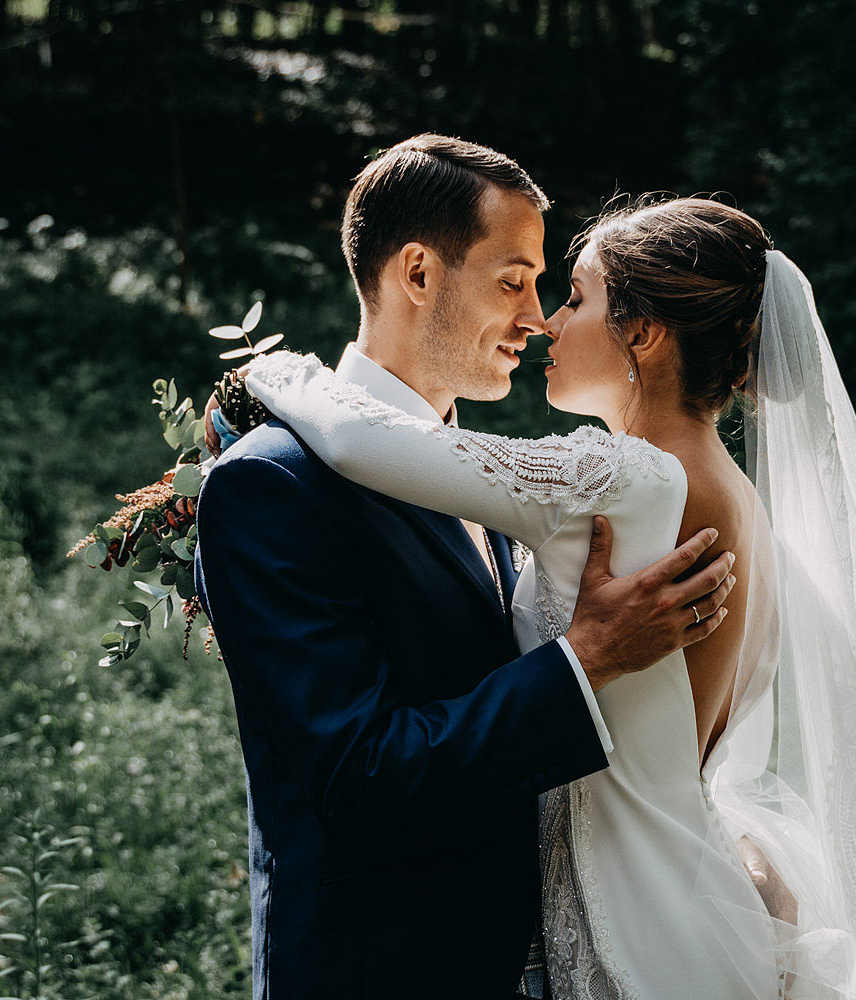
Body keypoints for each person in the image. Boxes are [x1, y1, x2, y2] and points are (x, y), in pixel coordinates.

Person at [242, 196, 856, 998]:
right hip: (690, 892)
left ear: (641, 333)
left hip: (636, 932)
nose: (548, 324)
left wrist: (274, 372)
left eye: (573, 297)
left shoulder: (627, 482)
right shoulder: (741, 503)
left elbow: (365, 442)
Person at [192, 136, 739, 1000]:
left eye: (548, 288)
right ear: (418, 273)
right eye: (513, 280)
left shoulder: (499, 479)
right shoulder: (273, 482)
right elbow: (357, 778)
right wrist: (584, 660)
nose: (536, 316)